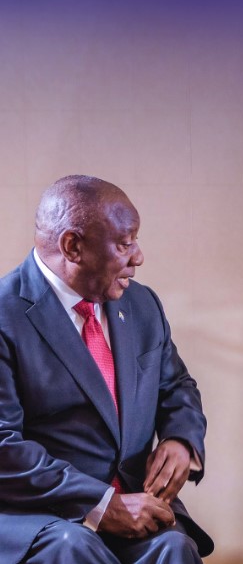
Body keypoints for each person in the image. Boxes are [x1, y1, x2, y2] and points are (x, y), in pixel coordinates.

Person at [0, 175, 212, 563]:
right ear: (73, 246)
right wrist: (102, 504)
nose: (139, 257)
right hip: (41, 518)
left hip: (137, 505)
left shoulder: (143, 305)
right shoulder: (5, 314)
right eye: (124, 243)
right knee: (75, 547)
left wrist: (181, 441)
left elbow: (177, 386)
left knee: (174, 546)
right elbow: (3, 447)